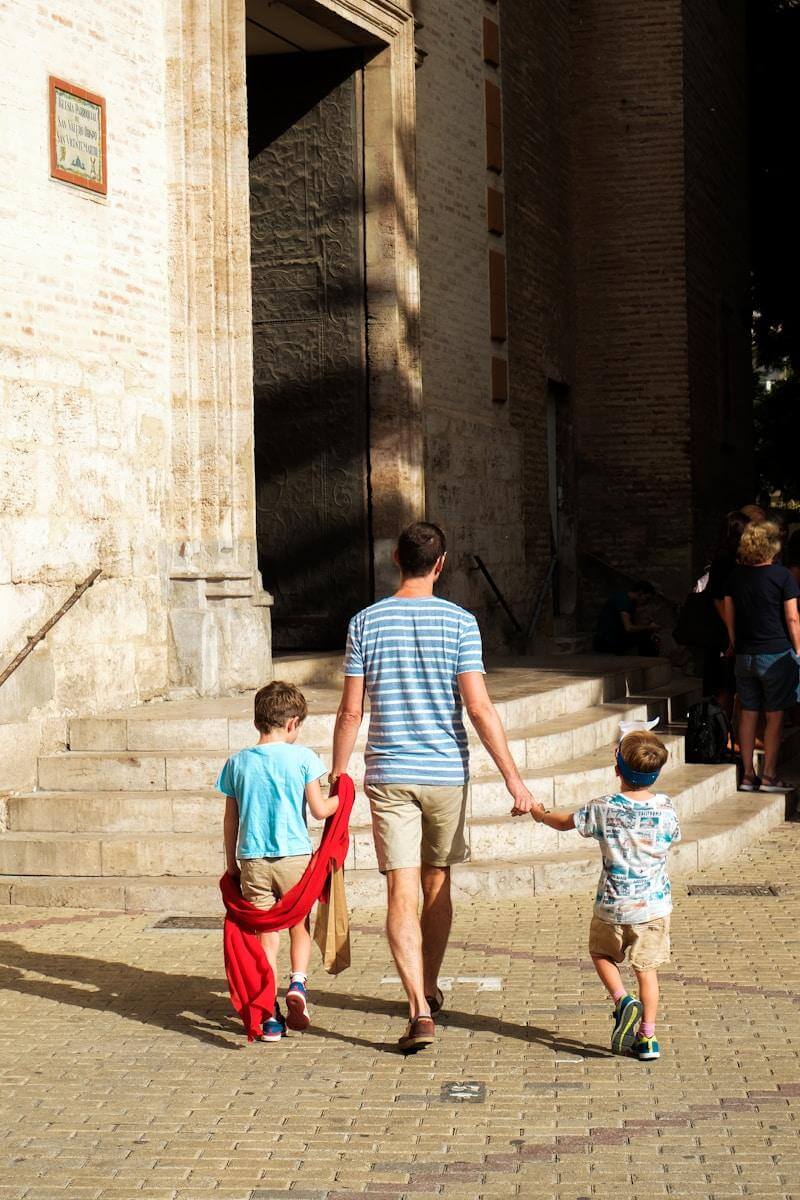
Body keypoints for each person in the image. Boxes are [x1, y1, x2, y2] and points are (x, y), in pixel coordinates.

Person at [330, 521, 536, 1053]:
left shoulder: (364, 623)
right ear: (441, 564)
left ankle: (418, 1009)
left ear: (395, 558)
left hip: (389, 774)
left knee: (399, 888)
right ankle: (427, 984)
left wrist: (338, 774)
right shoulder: (460, 623)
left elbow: (352, 709)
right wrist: (514, 780)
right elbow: (479, 707)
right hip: (445, 773)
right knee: (437, 880)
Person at [530, 730, 678, 1061]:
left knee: (601, 954)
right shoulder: (667, 807)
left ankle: (623, 1001)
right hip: (653, 908)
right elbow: (672, 836)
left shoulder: (604, 808)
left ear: (617, 770)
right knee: (647, 970)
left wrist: (540, 814)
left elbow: (565, 822)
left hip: (612, 904)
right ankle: (648, 1038)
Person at [217, 681, 339, 1041]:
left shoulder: (236, 763)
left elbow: (230, 819)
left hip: (253, 859)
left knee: (265, 935)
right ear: (292, 724)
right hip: (295, 857)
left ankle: (270, 1015)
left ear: (258, 722)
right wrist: (342, 796)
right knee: (298, 922)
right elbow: (319, 811)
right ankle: (298, 983)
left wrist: (231, 864)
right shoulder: (303, 758)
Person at [723, 520, 800, 793]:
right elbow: (792, 617)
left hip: (745, 654)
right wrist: (799, 650)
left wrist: (733, 641)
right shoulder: (782, 576)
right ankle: (769, 776)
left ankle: (747, 775)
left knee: (747, 713)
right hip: (775, 652)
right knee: (775, 715)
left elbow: (729, 612)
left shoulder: (735, 576)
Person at [703, 509, 751, 714]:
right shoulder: (724, 559)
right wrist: (731, 634)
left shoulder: (733, 558)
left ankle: (728, 733)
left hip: (729, 628)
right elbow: (718, 599)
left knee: (731, 684)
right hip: (722, 630)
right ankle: (722, 735)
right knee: (724, 685)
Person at [593, 581, 659, 656]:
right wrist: (648, 627)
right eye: (647, 598)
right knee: (645, 636)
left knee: (647, 635)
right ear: (640, 593)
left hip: (611, 638)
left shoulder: (628, 601)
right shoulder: (624, 602)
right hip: (606, 642)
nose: (647, 602)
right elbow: (629, 628)